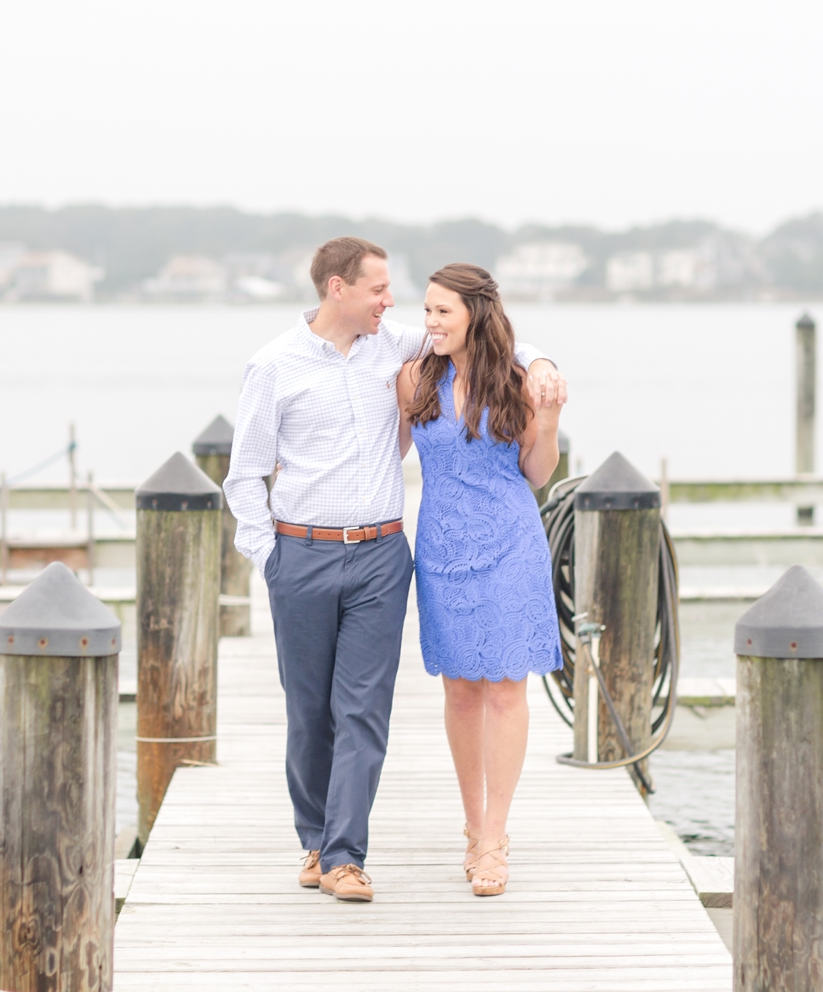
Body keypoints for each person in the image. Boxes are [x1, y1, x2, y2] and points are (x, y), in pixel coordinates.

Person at [223, 238, 566, 903]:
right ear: (336, 289)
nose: (399, 306)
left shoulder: (396, 344)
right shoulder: (288, 366)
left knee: (368, 709)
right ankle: (319, 840)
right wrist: (272, 558)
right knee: (310, 710)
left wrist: (543, 363)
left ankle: (356, 856)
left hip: (395, 552)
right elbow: (244, 474)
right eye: (381, 290)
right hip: (320, 551)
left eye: (410, 299)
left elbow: (497, 343)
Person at [397, 263, 565, 896]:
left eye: (444, 312)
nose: (432, 322)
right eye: (428, 311)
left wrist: (545, 422)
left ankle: (495, 838)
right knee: (461, 691)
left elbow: (538, 472)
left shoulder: (518, 380)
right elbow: (386, 452)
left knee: (504, 688)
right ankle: (472, 829)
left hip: (510, 545)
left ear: (474, 313)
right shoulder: (415, 376)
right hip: (440, 549)